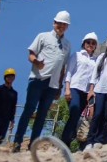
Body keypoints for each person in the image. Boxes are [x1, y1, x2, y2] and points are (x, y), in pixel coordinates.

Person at [13, 10, 72, 153]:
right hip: (38, 79)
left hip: (52, 85)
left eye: (64, 24)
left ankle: (33, 145)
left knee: (42, 115)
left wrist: (59, 87)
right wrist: (37, 62)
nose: (61, 26)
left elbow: (63, 66)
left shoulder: (67, 45)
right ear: (54, 23)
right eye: (59, 23)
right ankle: (17, 142)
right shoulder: (43, 37)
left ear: (67, 27)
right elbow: (31, 54)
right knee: (29, 110)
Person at [61, 32, 99, 148]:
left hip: (86, 92)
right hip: (75, 88)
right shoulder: (76, 55)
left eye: (93, 43)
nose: (90, 45)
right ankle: (65, 141)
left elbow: (94, 78)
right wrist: (67, 88)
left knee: (80, 117)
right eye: (88, 42)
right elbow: (69, 72)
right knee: (75, 111)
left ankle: (74, 141)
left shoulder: (95, 60)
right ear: (84, 43)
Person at [0, 69, 17, 150]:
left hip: (5, 119)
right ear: (5, 77)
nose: (10, 78)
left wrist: (12, 120)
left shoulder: (14, 93)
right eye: (8, 76)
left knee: (0, 138)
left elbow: (13, 106)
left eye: (12, 76)